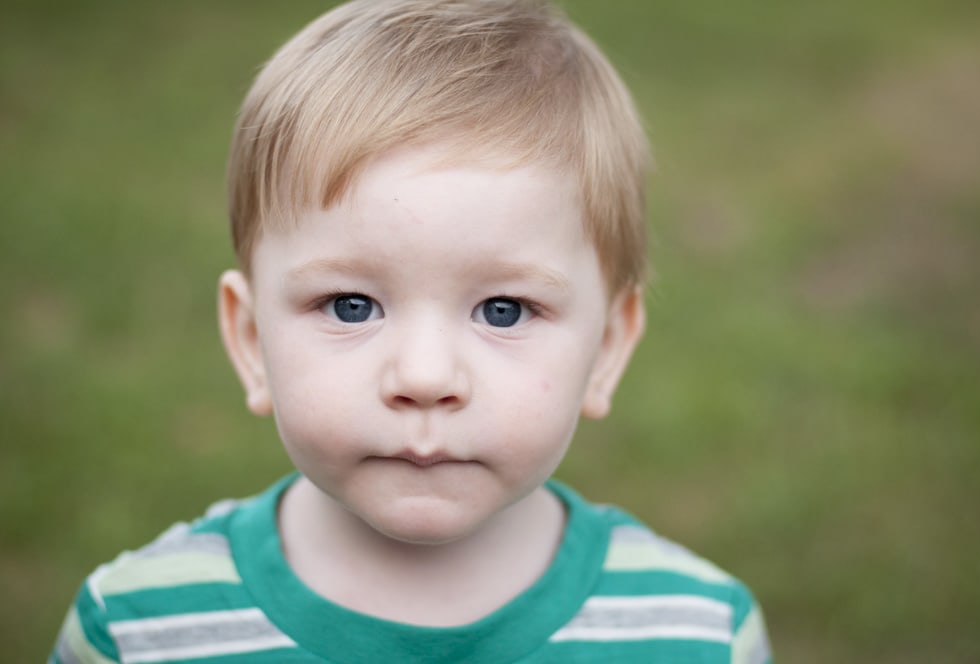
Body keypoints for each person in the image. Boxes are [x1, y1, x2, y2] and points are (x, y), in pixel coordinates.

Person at [50, 1, 773, 662]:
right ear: (249, 341)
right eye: (350, 305)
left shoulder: (696, 635)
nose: (424, 378)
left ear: (608, 348)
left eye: (504, 310)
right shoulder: (138, 633)